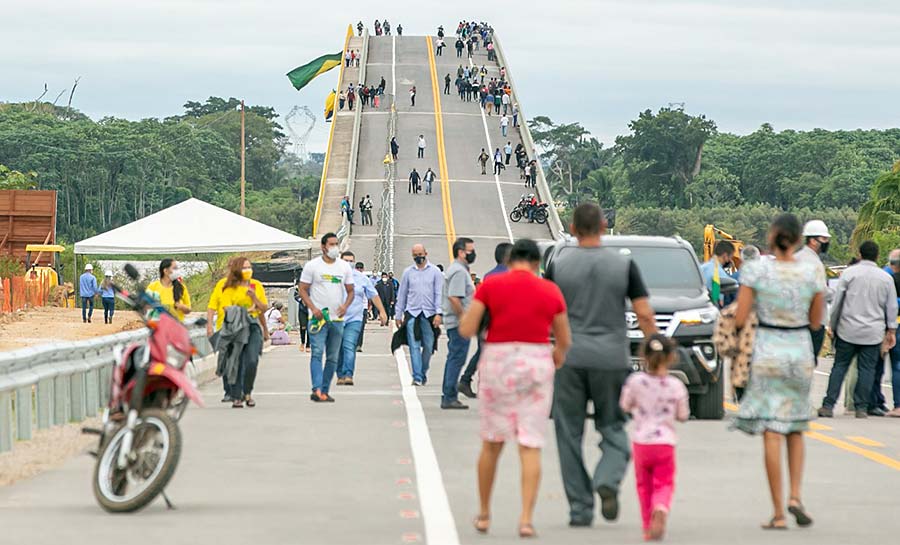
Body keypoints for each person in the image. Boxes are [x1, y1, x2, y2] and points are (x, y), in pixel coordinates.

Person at [545, 202, 657, 527]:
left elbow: (548, 311)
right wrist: (655, 347)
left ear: (572, 228)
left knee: (568, 433)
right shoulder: (623, 265)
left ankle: (580, 508)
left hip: (570, 357)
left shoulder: (558, 263)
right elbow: (645, 314)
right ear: (604, 226)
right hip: (612, 359)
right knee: (613, 425)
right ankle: (607, 476)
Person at [458, 239, 571, 538]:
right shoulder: (550, 290)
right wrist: (556, 357)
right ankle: (525, 519)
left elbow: (467, 329)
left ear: (510, 261)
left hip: (498, 362)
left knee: (492, 443)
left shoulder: (491, 287)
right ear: (536, 263)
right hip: (536, 361)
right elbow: (564, 338)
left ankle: (483, 514)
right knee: (530, 444)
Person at [732, 213, 824, 530]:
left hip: (769, 349)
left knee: (772, 429)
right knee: (796, 426)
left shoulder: (756, 269)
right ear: (800, 239)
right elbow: (815, 321)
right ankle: (796, 496)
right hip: (800, 351)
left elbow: (741, 316)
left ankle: (778, 513)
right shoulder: (812, 271)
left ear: (772, 236)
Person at [620, 335, 689, 541]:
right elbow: (683, 415)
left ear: (644, 356)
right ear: (671, 357)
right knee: (664, 483)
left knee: (644, 486)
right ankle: (661, 507)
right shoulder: (676, 385)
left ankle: (647, 526)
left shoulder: (635, 382)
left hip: (641, 442)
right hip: (665, 442)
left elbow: (625, 405)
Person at [818, 241, 897, 418]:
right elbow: (891, 307)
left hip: (848, 329)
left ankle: (828, 405)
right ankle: (861, 407)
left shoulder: (848, 274)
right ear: (877, 256)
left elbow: (837, 302)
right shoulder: (885, 278)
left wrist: (833, 324)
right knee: (867, 369)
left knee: (839, 366)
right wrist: (891, 330)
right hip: (873, 332)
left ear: (860, 254)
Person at [297, 233, 355, 403]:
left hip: (337, 320)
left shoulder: (344, 267)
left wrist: (345, 306)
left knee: (333, 357)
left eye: (337, 244)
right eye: (331, 244)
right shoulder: (312, 266)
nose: (335, 247)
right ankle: (316, 388)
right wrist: (313, 308)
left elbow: (351, 290)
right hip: (318, 319)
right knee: (316, 353)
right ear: (323, 247)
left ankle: (324, 389)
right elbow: (302, 289)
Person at [207, 257, 269, 408]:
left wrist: (254, 299)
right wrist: (209, 325)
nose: (248, 271)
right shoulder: (226, 286)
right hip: (232, 327)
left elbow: (263, 308)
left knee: (252, 360)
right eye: (244, 268)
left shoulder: (256, 285)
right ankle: (235, 395)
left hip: (252, 326)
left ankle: (247, 392)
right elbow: (227, 309)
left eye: (249, 267)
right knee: (235, 361)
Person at [459, 241, 512, 399]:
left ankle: (473, 381)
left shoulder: (489, 275)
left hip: (486, 320)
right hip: (501, 321)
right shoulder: (509, 275)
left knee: (483, 351)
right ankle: (473, 381)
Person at [395, 244, 444, 386]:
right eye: (415, 254)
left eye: (420, 254)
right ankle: (417, 376)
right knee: (413, 346)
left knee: (428, 345)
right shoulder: (408, 272)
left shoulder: (435, 272)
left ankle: (422, 371)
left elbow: (439, 294)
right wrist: (398, 314)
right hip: (413, 313)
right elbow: (402, 294)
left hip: (429, 314)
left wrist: (438, 313)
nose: (418, 257)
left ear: (426, 253)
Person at [336, 255, 388, 386]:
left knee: (349, 345)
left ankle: (348, 374)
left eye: (351, 261)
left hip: (355, 318)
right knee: (338, 348)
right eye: (345, 260)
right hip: (336, 319)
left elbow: (373, 295)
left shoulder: (362, 278)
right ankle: (340, 374)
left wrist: (382, 311)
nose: (348, 263)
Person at [440, 238, 477, 410]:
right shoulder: (459, 272)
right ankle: (449, 396)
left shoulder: (459, 269)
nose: (473, 253)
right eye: (470, 250)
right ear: (461, 252)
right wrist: (464, 318)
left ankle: (449, 394)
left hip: (456, 321)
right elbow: (454, 297)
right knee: (456, 358)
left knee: (455, 358)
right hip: (457, 322)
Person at [795, 220, 833, 367]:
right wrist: (835, 293)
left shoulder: (799, 257)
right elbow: (821, 291)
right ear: (812, 240)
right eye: (824, 239)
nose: (826, 242)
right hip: (814, 320)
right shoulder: (813, 262)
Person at [293, 281, 311, 352]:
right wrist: (302, 300)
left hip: (311, 309)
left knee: (310, 327)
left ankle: (308, 345)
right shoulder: (299, 287)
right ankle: (302, 342)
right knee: (303, 327)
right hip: (302, 310)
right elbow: (296, 296)